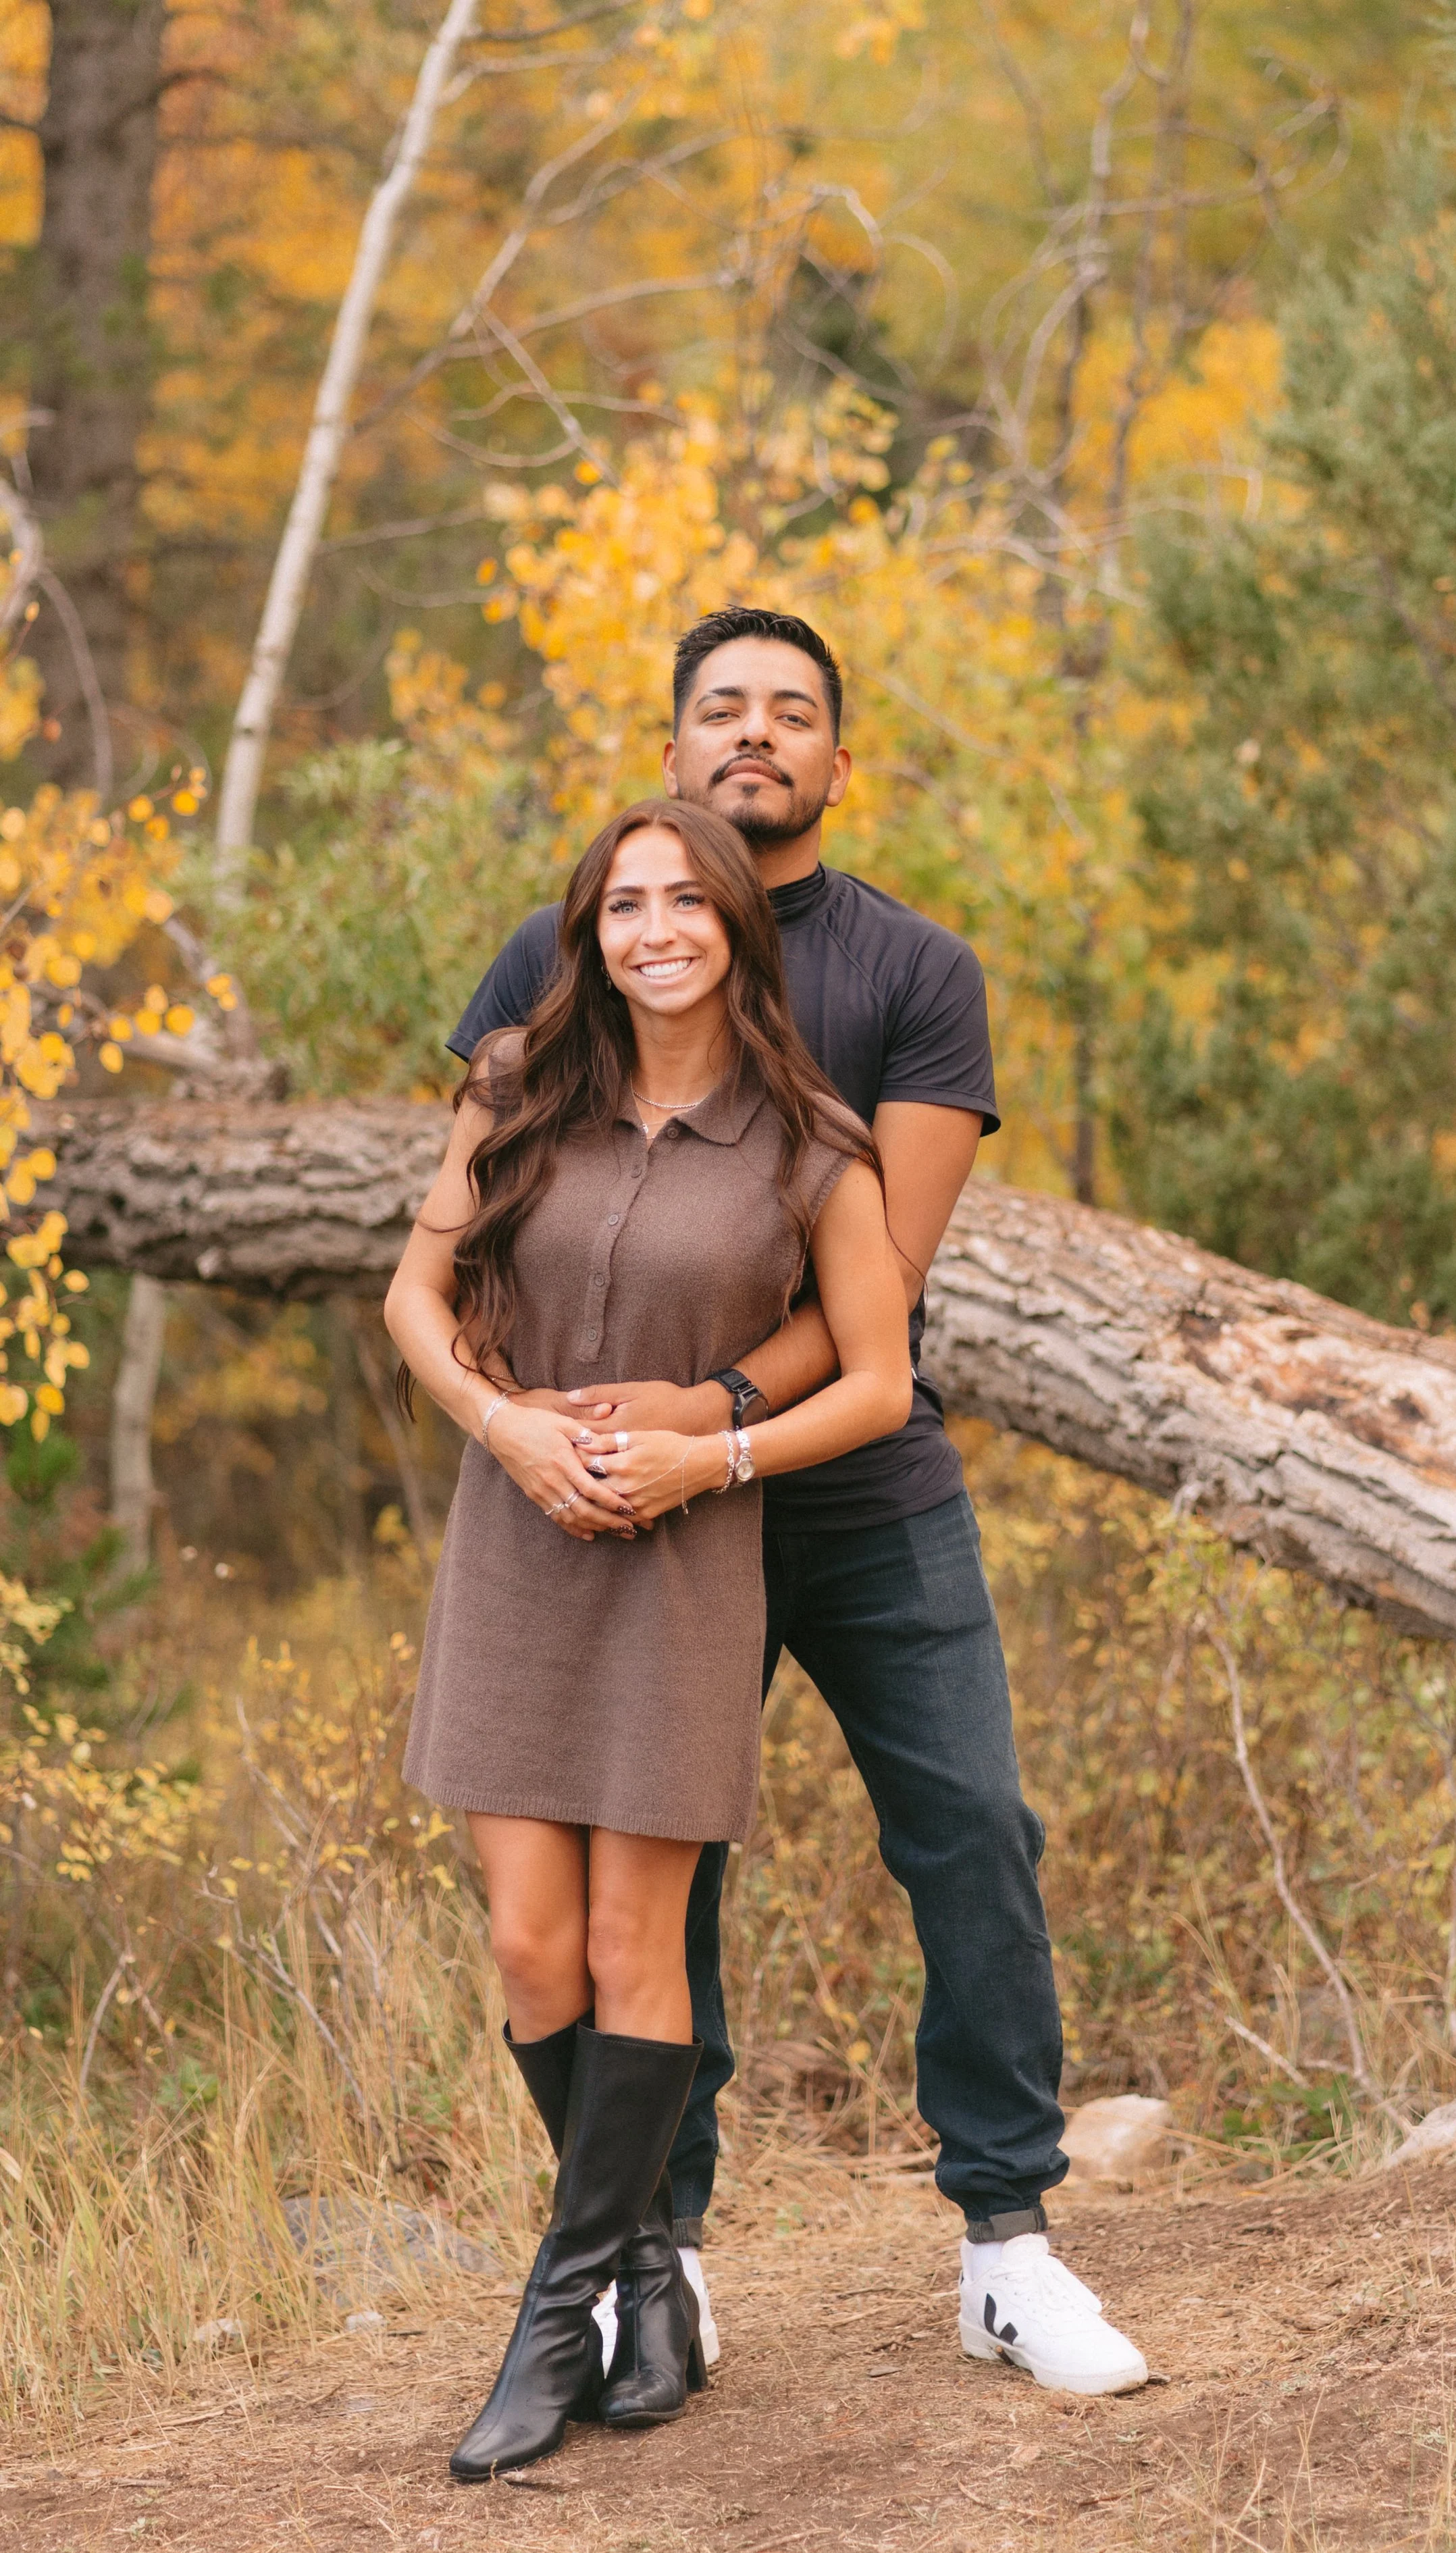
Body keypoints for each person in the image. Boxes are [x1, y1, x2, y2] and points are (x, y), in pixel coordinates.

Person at [449, 605, 1149, 2397]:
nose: (753, 735)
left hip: (851, 1484)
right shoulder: (566, 948)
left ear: (842, 760)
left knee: (975, 1833)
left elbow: (876, 1293)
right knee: (634, 1888)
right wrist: (561, 1436)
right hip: (626, 1512)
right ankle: (647, 2253)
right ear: (670, 750)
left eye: (792, 714)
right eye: (720, 710)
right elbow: (492, 1227)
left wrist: (703, 1415)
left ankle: (1007, 2243)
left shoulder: (912, 974)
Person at [386, 796, 912, 2478]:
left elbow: (880, 1377)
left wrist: (713, 1450)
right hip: (514, 1544)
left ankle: (562, 2312)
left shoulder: (812, 1139)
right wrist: (503, 1427)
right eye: (625, 905)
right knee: (532, 1948)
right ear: (588, 930)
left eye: (687, 900)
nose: (656, 928)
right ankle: (639, 2282)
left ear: (733, 930)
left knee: (638, 1947)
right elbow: (412, 1292)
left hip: (686, 1562)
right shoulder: (516, 1086)